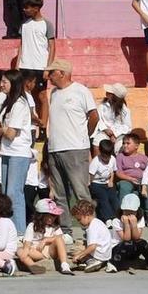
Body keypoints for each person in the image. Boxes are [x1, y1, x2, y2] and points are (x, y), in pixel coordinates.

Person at [44, 62, 97, 206]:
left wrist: (86, 134)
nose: (49, 76)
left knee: (80, 191)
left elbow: (94, 115)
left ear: (62, 73)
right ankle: (65, 227)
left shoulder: (81, 91)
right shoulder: (54, 93)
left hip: (75, 148)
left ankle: (90, 225)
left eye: (52, 72)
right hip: (55, 148)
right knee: (59, 194)